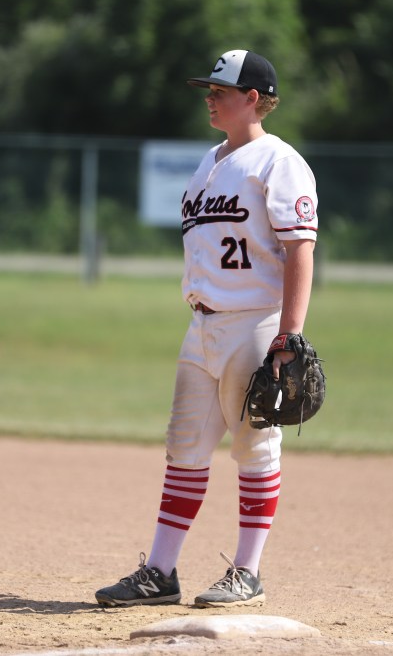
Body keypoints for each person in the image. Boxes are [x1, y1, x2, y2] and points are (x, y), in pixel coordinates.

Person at [95, 49, 319, 608]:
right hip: (202, 325)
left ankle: (247, 571)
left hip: (254, 322)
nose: (210, 99)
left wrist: (288, 335)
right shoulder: (211, 161)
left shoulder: (279, 161)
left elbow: (300, 249)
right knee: (184, 447)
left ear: (253, 99)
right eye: (209, 91)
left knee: (254, 446)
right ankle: (160, 572)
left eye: (220, 91)